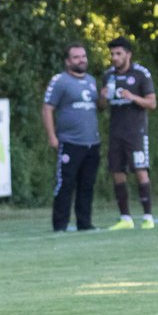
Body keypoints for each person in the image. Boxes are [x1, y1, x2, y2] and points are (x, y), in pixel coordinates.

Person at [100, 36, 158, 230]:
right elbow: (101, 106)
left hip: (136, 132)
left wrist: (132, 97)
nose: (114, 58)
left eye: (118, 54)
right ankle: (125, 218)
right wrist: (102, 98)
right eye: (112, 54)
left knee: (140, 171)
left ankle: (148, 217)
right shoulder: (108, 75)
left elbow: (152, 103)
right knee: (117, 173)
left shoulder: (141, 74)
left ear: (128, 55)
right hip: (116, 132)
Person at [43, 43, 101, 232]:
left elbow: (99, 106)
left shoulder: (92, 80)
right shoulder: (60, 81)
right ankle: (60, 224)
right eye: (76, 57)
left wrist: (105, 98)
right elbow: (48, 108)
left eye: (83, 56)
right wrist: (52, 136)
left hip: (92, 142)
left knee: (87, 184)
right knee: (66, 183)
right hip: (70, 141)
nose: (81, 60)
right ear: (68, 61)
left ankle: (85, 223)